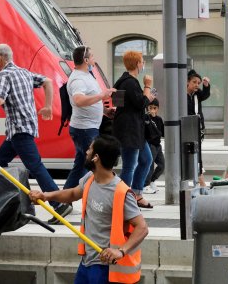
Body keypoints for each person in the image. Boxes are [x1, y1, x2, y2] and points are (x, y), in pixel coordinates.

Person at [28, 135, 148, 284]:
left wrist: (120, 251)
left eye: (89, 149)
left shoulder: (121, 192)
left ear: (96, 157)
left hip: (104, 266)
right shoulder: (90, 178)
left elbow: (142, 227)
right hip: (87, 261)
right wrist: (45, 196)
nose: (86, 152)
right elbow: (72, 193)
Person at [0, 44, 73, 220]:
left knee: (35, 166)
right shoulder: (23, 72)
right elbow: (47, 81)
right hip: (23, 129)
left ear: (0, 58)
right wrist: (47, 106)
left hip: (18, 128)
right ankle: (3, 201)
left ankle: (58, 203)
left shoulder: (4, 74)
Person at [63, 46, 116, 195]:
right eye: (92, 56)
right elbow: (79, 100)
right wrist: (102, 96)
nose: (94, 59)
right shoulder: (78, 79)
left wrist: (105, 111)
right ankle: (101, 197)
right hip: (84, 129)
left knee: (80, 166)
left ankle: (63, 200)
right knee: (97, 165)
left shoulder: (87, 75)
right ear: (86, 60)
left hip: (87, 128)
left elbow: (90, 98)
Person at [111, 50, 155, 209]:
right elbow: (140, 103)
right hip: (129, 131)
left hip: (135, 131)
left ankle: (136, 193)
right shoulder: (130, 82)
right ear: (137, 64)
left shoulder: (121, 80)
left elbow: (117, 103)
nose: (143, 64)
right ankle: (122, 199)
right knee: (130, 165)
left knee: (146, 160)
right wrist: (148, 87)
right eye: (142, 61)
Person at [186, 70, 210, 187]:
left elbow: (205, 95)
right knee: (187, 152)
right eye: (194, 82)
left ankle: (200, 180)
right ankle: (198, 180)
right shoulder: (182, 94)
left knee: (197, 152)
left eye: (198, 83)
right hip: (185, 127)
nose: (196, 85)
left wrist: (206, 86)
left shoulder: (197, 94)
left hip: (197, 127)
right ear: (187, 82)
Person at [143, 99, 164, 194]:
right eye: (150, 108)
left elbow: (162, 132)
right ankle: (145, 185)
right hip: (150, 144)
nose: (152, 110)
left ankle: (152, 181)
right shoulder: (146, 118)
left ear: (157, 109)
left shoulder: (159, 119)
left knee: (162, 165)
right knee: (150, 166)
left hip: (157, 145)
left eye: (154, 108)